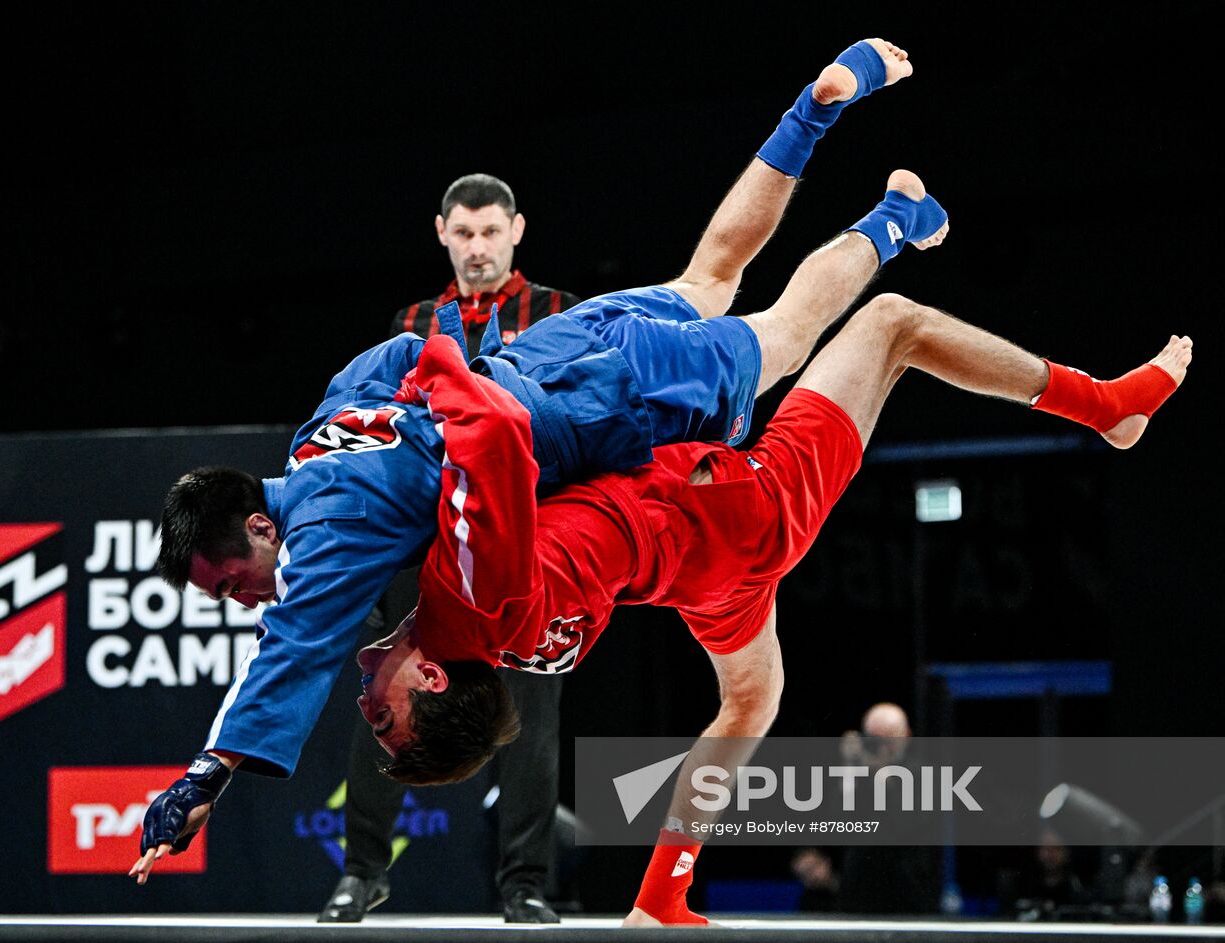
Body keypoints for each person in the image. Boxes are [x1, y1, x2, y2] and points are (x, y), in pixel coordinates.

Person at [132, 36, 944, 884]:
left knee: (787, 334)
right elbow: (396, 358)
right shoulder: (316, 438)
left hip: (601, 400)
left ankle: (893, 216)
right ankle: (810, 113)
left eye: (234, 581)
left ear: (262, 526)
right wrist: (446, 381)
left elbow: (291, 650)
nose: (247, 600)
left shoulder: (326, 536)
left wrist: (206, 775)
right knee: (709, 277)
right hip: (556, 352)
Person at [349, 295, 1189, 923]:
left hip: (701, 578)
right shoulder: (479, 597)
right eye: (383, 716)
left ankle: (662, 893)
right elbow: (490, 444)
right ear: (432, 679)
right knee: (892, 322)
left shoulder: (493, 635)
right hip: (740, 510)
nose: (362, 696)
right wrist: (436, 364)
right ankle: (1105, 406)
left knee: (751, 699)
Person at [322, 174, 580, 924]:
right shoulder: (411, 322)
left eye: (490, 232)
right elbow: (379, 431)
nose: (477, 248)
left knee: (532, 718)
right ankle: (361, 873)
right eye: (463, 233)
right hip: (423, 547)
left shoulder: (561, 313)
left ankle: (524, 883)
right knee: (383, 703)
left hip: (526, 546)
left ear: (516, 230)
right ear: (442, 233)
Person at [836, 702, 940, 915]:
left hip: (909, 889)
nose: (882, 748)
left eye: (890, 740)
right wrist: (848, 765)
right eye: (875, 739)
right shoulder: (856, 773)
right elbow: (837, 818)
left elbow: (906, 825)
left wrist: (878, 771)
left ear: (907, 736)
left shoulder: (924, 774)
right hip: (860, 888)